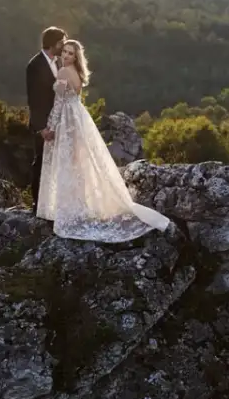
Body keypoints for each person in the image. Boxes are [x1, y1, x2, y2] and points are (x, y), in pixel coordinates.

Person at [35, 39, 171, 241]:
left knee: (67, 164)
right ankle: (77, 207)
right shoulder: (78, 74)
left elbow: (58, 104)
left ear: (76, 57)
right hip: (79, 117)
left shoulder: (63, 73)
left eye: (70, 53)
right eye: (64, 52)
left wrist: (50, 127)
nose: (65, 56)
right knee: (77, 164)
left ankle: (69, 211)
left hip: (68, 120)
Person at [27, 26, 67, 210]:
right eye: (61, 42)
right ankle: (37, 203)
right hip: (43, 124)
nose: (64, 46)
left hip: (58, 121)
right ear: (53, 44)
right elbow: (34, 99)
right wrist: (41, 127)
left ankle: (52, 202)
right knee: (41, 161)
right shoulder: (34, 65)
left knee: (56, 162)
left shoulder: (59, 63)